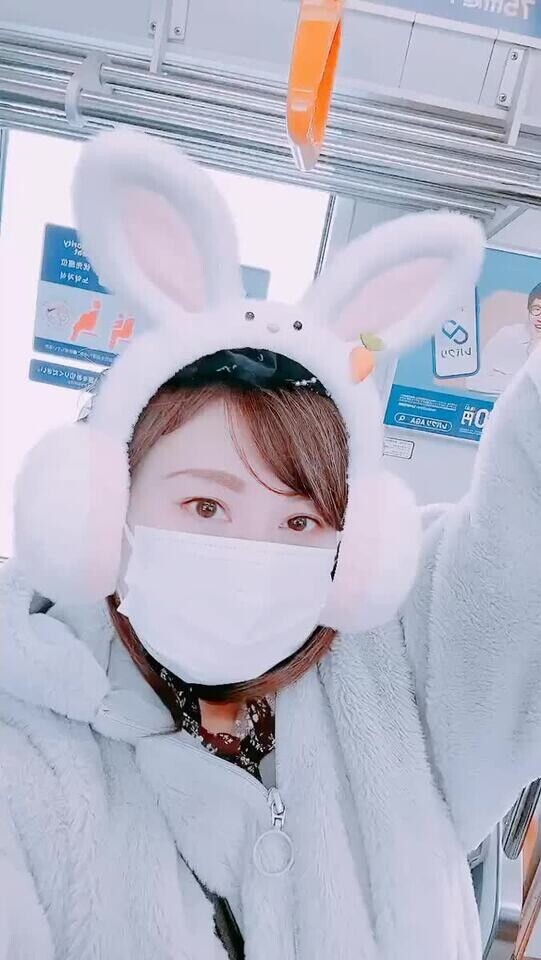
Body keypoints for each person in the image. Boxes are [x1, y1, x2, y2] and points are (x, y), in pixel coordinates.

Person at [2, 130, 541, 960]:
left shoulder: (400, 680)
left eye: (298, 523)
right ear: (100, 510)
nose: (251, 556)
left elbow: (520, 542)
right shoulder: (26, 752)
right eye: (206, 505)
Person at [468, 281, 541, 395]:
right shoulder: (508, 335)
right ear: (528, 310)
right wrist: (525, 386)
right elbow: (473, 381)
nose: (539, 318)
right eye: (536, 309)